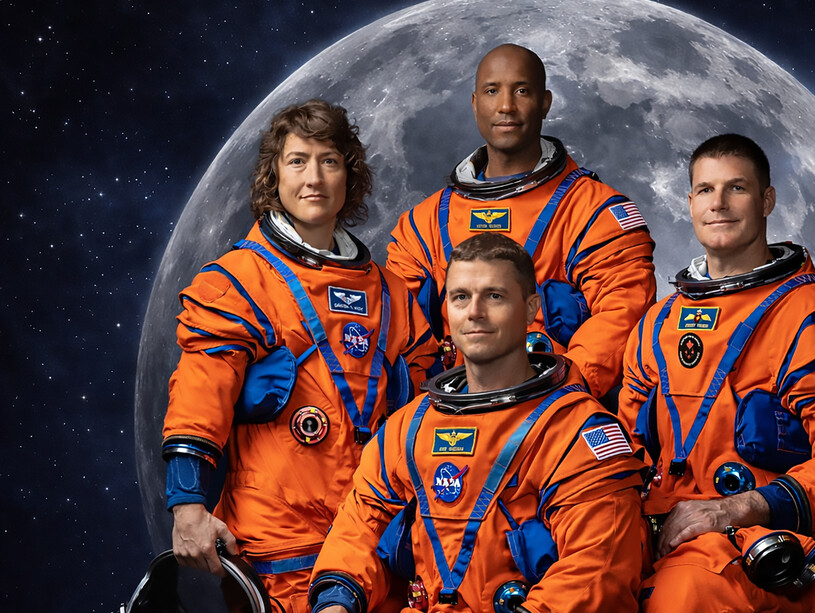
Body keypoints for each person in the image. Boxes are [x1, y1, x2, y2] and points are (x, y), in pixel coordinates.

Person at [161, 99, 438, 613]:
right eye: (297, 161)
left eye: (329, 161)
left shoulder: (393, 298)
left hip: (379, 541)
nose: (314, 177)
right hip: (280, 547)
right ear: (275, 175)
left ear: (348, 176)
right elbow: (200, 396)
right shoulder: (238, 283)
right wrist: (188, 505)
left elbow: (428, 421)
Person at [618, 134, 815, 611]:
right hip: (665, 522)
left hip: (765, 534)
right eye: (705, 190)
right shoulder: (657, 323)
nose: (718, 203)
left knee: (680, 599)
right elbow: (625, 444)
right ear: (689, 203)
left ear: (767, 200)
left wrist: (739, 507)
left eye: (736, 188)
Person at [310, 233, 647, 613]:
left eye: (494, 296)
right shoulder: (410, 427)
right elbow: (359, 526)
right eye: (460, 297)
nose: (474, 312)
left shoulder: (577, 430)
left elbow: (598, 570)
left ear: (530, 306)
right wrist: (335, 604)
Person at [386, 43, 656, 399]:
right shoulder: (424, 224)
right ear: (474, 103)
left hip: (552, 411)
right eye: (492, 91)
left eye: (522, 91)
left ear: (545, 102)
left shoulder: (595, 212)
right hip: (449, 411)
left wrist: (554, 396)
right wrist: (433, 403)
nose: (506, 106)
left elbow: (622, 314)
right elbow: (397, 327)